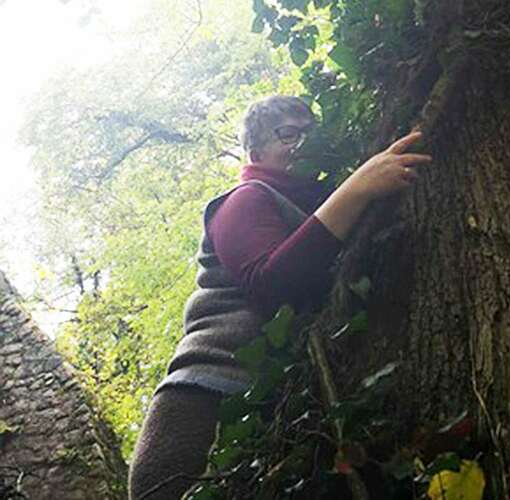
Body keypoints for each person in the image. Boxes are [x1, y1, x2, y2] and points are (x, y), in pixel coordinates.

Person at [128, 95, 432, 499]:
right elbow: (273, 285)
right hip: (202, 403)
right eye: (288, 135)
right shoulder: (244, 198)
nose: (303, 144)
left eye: (310, 133)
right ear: (255, 152)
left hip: (270, 404)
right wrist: (357, 189)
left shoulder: (311, 207)